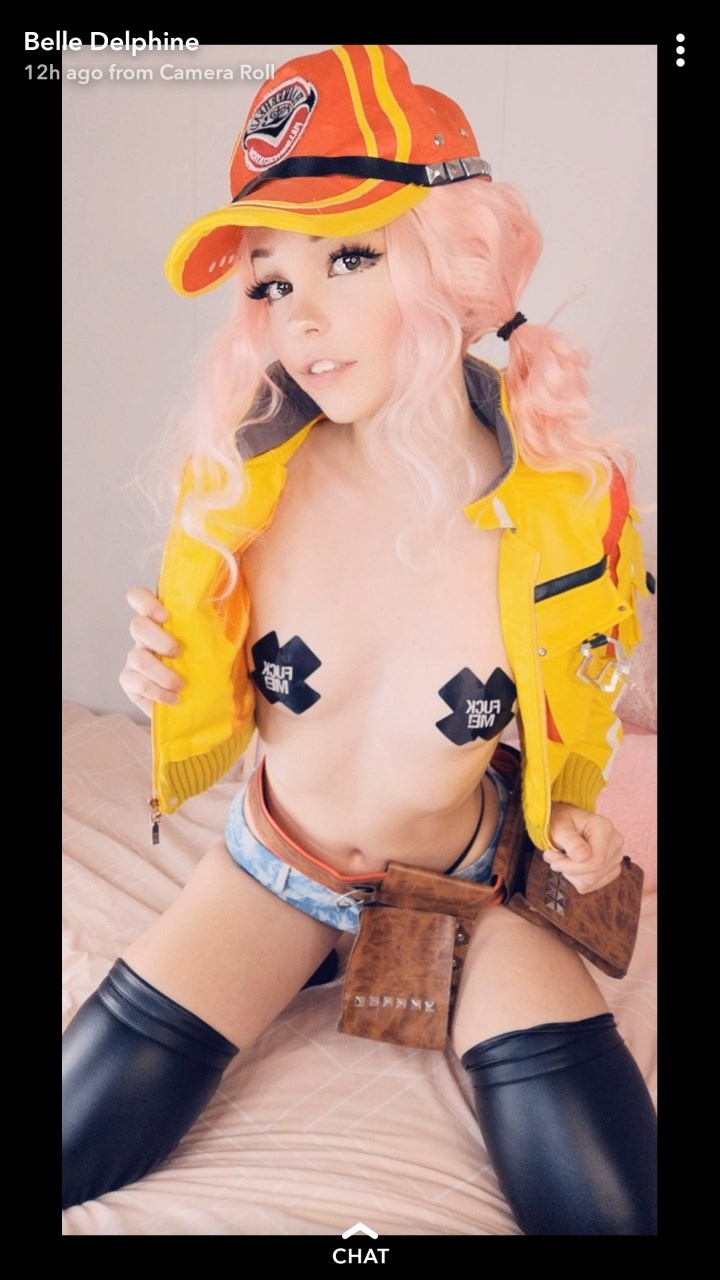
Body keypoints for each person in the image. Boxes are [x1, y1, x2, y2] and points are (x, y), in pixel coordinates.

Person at [62, 44, 657, 1233]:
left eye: (349, 256)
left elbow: (591, 687)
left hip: (472, 884)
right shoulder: (243, 482)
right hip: (274, 869)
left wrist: (580, 827)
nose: (302, 317)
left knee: (614, 1214)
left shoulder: (566, 503)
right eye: (271, 278)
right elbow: (206, 673)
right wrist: (159, 675)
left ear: (454, 257)